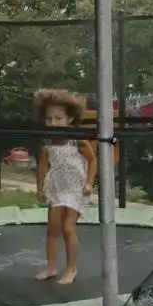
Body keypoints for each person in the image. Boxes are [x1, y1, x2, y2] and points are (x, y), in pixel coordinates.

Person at [33, 88, 97, 285]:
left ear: (69, 118)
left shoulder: (77, 140)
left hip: (76, 189)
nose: (53, 123)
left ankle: (71, 268)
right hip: (56, 188)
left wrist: (89, 183)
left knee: (68, 228)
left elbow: (93, 161)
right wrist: (40, 188)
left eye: (58, 118)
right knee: (52, 230)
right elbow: (42, 166)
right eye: (49, 119)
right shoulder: (46, 143)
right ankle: (51, 267)